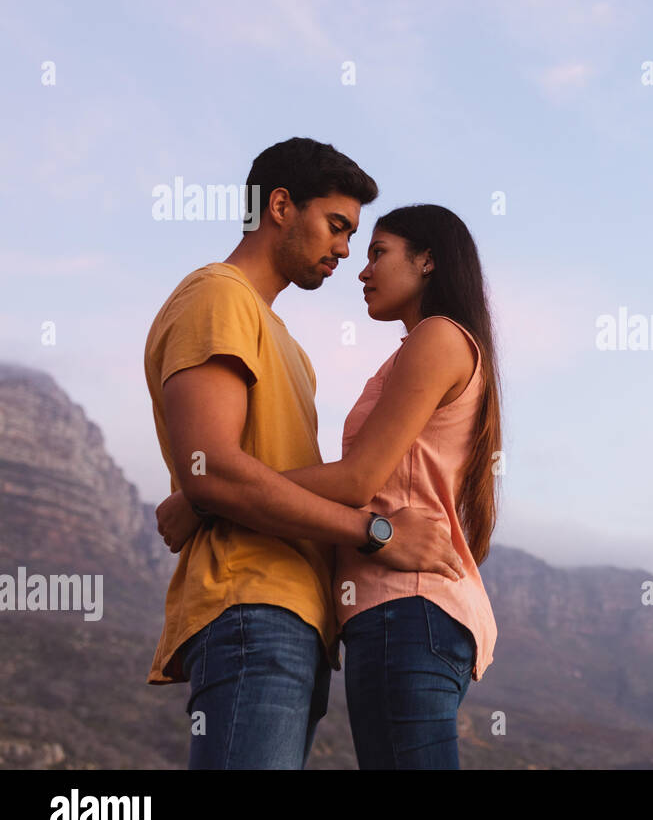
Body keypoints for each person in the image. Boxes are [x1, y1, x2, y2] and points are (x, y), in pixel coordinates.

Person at [144, 138, 459, 770]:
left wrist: (199, 503)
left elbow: (222, 482)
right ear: (281, 206)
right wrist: (374, 532)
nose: (345, 251)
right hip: (250, 606)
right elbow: (214, 471)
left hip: (297, 623)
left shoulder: (284, 341)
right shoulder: (218, 297)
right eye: (337, 226)